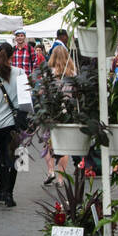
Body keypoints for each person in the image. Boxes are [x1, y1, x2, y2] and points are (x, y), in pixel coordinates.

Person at [0, 43, 30, 208]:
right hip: (14, 123)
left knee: (0, 156)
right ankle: (9, 193)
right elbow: (26, 99)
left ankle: (1, 191)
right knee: (15, 157)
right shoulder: (20, 73)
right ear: (13, 56)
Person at [42, 45, 77, 184]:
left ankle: (50, 171)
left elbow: (43, 92)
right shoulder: (73, 73)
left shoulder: (48, 73)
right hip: (67, 112)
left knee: (47, 143)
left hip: (51, 111)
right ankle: (61, 178)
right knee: (64, 146)